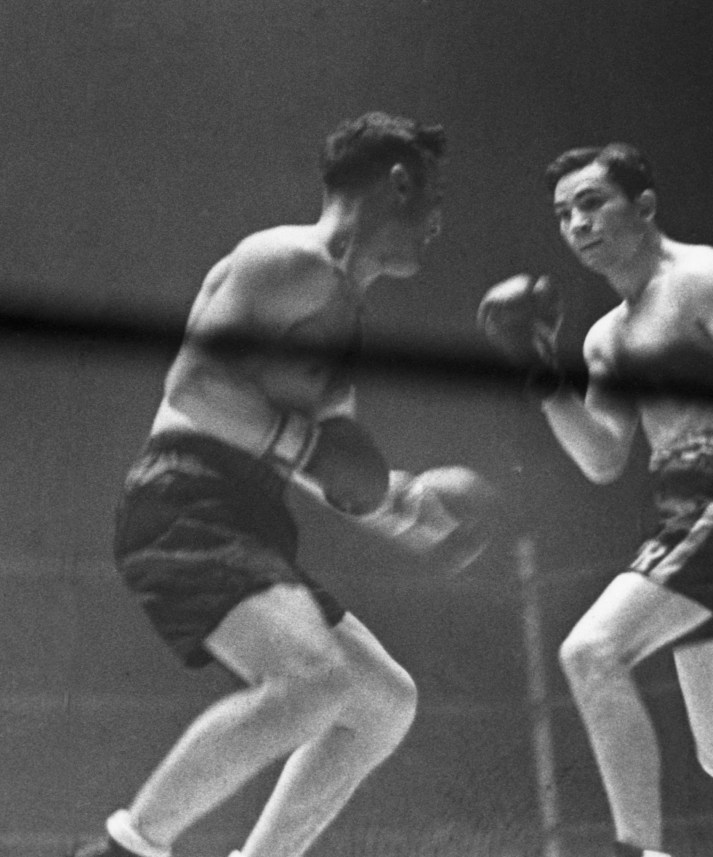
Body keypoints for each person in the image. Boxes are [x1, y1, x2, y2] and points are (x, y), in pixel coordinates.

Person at [75, 112, 487, 857]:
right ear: (397, 181)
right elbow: (195, 384)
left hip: (249, 509)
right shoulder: (286, 260)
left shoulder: (345, 318)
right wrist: (303, 445)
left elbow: (328, 464)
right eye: (432, 195)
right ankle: (126, 848)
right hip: (185, 497)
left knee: (384, 702)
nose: (437, 220)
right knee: (311, 681)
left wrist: (405, 505)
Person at [478, 143, 713, 857]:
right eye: (563, 214)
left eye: (592, 202)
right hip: (683, 502)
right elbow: (602, 455)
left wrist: (711, 376)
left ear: (644, 206)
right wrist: (542, 374)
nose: (578, 223)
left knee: (591, 651)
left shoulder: (705, 278)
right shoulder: (606, 336)